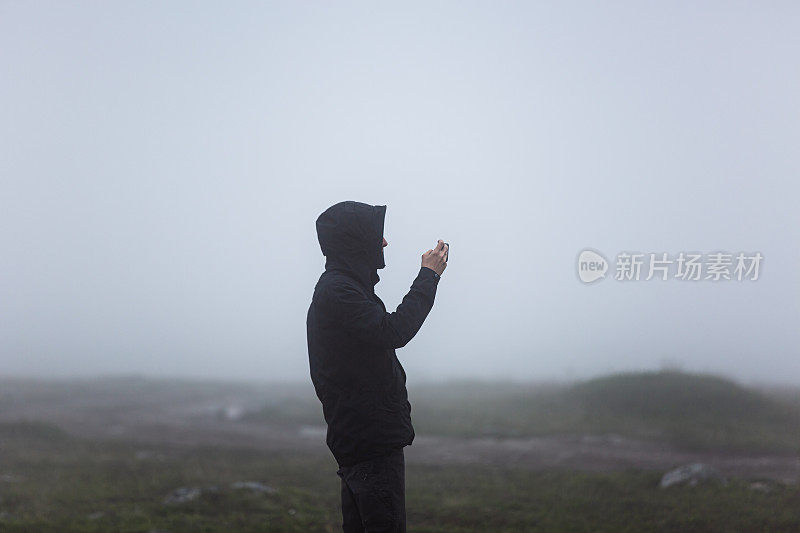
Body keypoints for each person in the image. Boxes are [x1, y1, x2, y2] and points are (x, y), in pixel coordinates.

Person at [306, 200, 448, 532]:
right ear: (356, 242)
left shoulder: (342, 289)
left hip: (361, 438)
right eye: (376, 236)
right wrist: (428, 277)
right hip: (368, 441)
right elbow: (393, 331)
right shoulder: (339, 292)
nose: (384, 243)